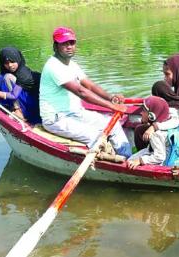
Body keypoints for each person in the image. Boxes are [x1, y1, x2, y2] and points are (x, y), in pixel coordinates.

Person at [39, 26, 131, 158]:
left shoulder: (72, 64)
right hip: (56, 119)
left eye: (72, 42)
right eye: (64, 43)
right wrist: (113, 107)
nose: (69, 46)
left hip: (75, 113)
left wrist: (111, 98)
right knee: (95, 135)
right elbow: (81, 92)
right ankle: (110, 164)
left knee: (114, 125)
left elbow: (90, 85)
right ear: (55, 46)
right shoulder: (53, 66)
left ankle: (127, 158)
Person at [0, 47, 41, 124]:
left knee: (7, 77)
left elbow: (14, 95)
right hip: (28, 96)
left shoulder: (23, 74)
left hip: (34, 101)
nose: (10, 65)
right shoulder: (11, 71)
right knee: (2, 77)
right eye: (6, 63)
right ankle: (16, 109)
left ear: (18, 60)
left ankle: (19, 111)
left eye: (12, 62)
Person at [128, 96, 179, 168]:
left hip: (161, 161)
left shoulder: (155, 134)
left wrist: (140, 160)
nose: (141, 113)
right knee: (132, 158)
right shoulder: (170, 122)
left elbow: (159, 157)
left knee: (129, 161)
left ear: (151, 116)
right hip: (164, 151)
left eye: (143, 110)